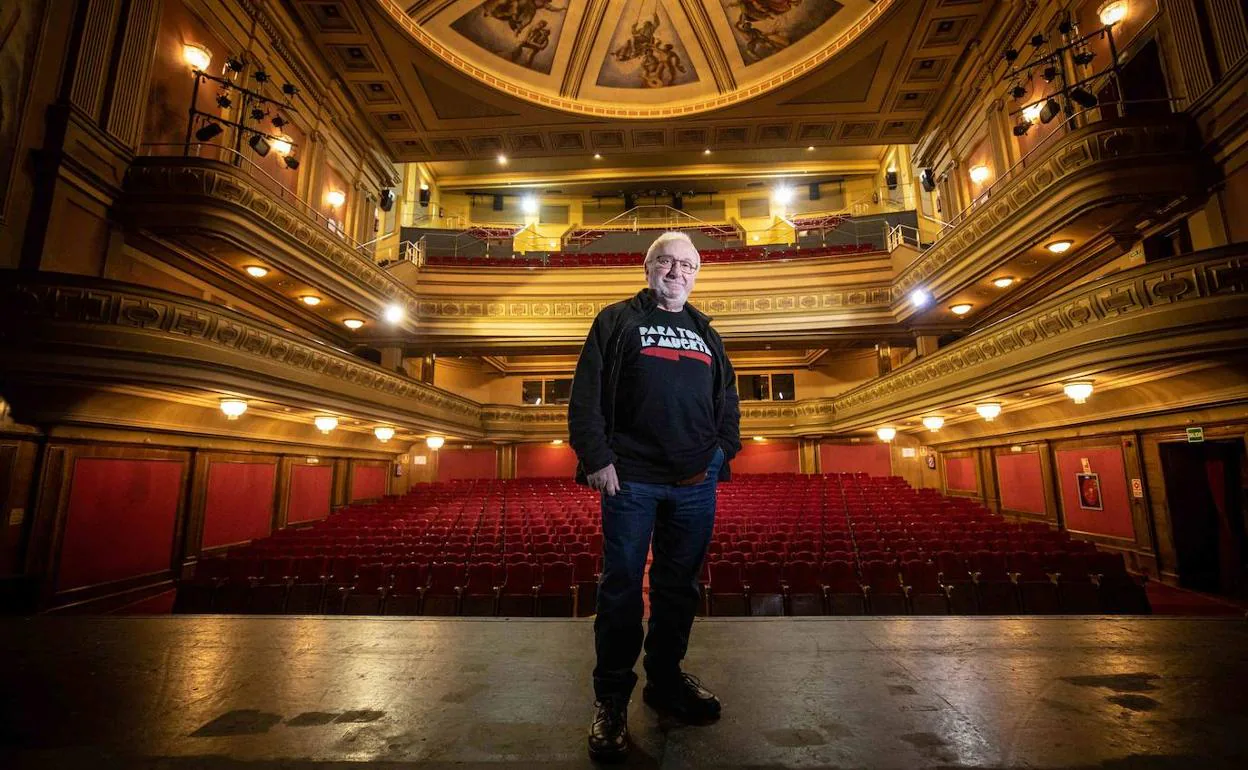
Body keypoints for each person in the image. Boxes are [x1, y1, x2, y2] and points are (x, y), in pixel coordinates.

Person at [569, 231, 741, 763]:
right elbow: (587, 393)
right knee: (621, 588)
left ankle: (665, 681)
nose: (677, 272)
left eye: (687, 265)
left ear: (696, 273)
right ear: (648, 268)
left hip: (695, 481)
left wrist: (721, 453)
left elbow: (728, 397)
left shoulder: (704, 330)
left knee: (679, 588)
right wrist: (597, 458)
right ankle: (612, 697)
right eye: (666, 262)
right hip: (632, 479)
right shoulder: (618, 320)